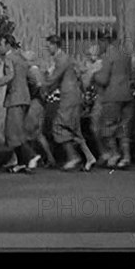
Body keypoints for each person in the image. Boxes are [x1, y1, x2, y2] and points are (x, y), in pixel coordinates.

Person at [43, 34, 96, 171]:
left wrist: (41, 84)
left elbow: (53, 79)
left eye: (49, 45)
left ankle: (74, 157)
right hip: (72, 96)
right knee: (73, 128)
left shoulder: (62, 60)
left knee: (59, 126)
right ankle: (88, 157)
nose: (47, 48)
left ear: (55, 45)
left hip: (69, 97)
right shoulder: (64, 58)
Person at [0, 34, 41, 173]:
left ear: (8, 44)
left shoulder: (9, 58)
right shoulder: (21, 57)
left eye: (1, 44)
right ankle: (21, 162)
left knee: (13, 133)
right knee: (17, 130)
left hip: (15, 98)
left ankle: (31, 156)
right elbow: (32, 78)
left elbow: (10, 75)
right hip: (24, 97)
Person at [93, 31, 134, 169]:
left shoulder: (107, 56)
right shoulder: (125, 55)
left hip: (112, 96)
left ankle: (114, 154)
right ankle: (126, 157)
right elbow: (131, 74)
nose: (99, 46)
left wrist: (94, 75)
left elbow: (103, 80)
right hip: (127, 95)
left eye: (100, 43)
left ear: (105, 41)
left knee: (107, 127)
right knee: (124, 127)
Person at [23, 50, 56, 168]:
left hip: (35, 103)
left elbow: (39, 86)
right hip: (40, 104)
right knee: (38, 134)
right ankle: (49, 158)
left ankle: (32, 157)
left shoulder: (32, 71)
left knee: (27, 132)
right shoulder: (37, 71)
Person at [80, 44, 105, 163]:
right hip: (99, 100)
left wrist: (87, 70)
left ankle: (103, 153)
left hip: (101, 100)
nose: (91, 57)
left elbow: (85, 83)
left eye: (92, 54)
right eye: (89, 55)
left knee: (95, 128)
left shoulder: (98, 65)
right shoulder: (98, 64)